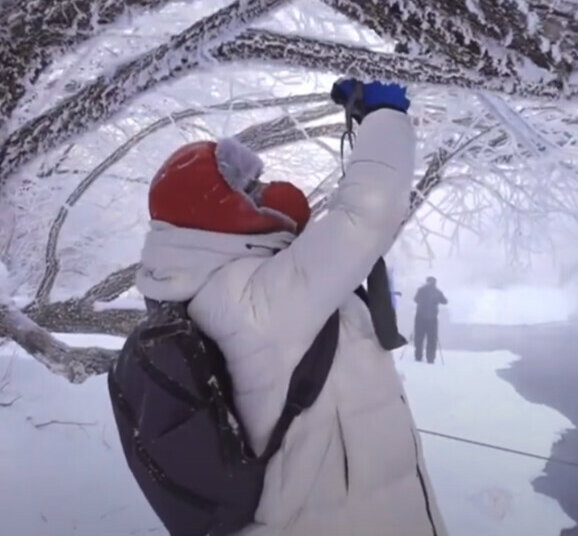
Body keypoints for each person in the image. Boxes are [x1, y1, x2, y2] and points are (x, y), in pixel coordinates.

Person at [132, 79, 447, 536]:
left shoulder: (213, 296)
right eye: (249, 190)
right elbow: (364, 215)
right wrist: (384, 118)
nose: (264, 192)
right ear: (215, 213)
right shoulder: (252, 299)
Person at [413, 276, 448, 364]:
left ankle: (418, 356)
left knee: (419, 338)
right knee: (432, 339)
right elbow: (445, 301)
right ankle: (430, 358)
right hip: (432, 319)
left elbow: (415, 299)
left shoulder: (421, 290)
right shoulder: (437, 292)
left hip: (420, 318)